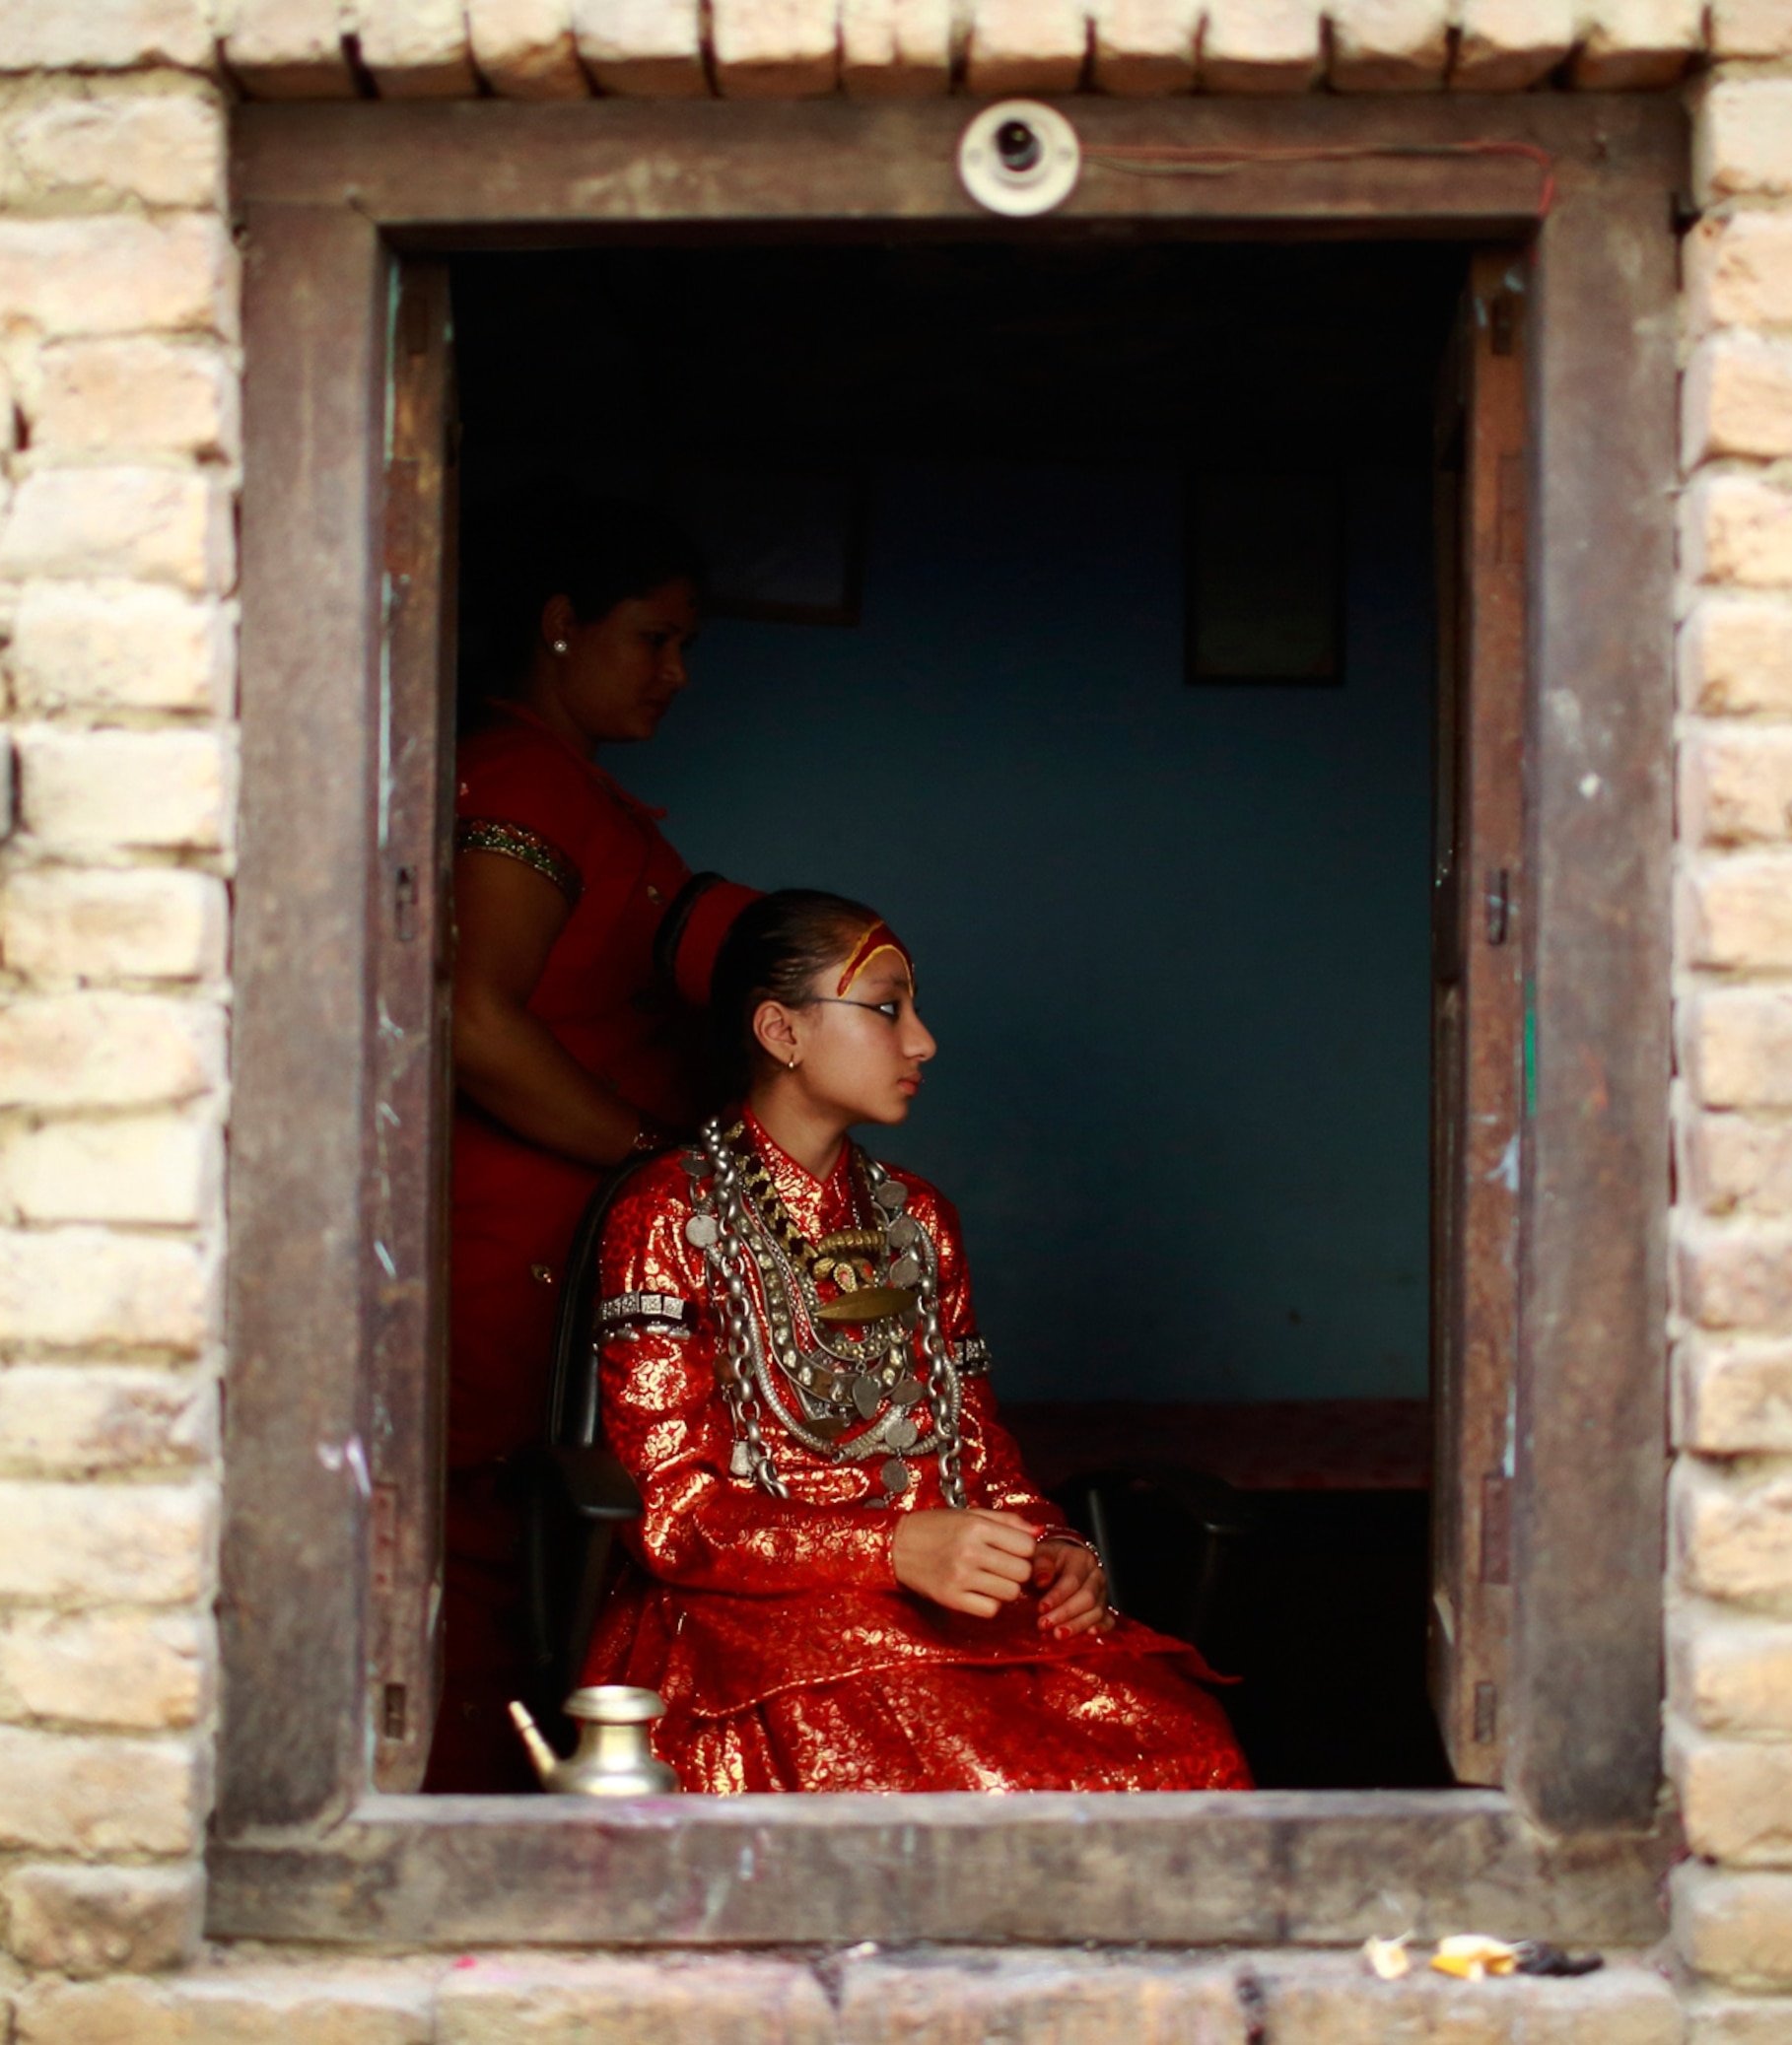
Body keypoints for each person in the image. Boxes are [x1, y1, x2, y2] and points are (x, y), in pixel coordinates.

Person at [577, 891, 1252, 1792]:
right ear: (781, 1028)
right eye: (888, 1007)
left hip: (942, 1596)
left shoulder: (919, 1217)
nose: (923, 1040)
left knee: (1178, 1743)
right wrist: (890, 1549)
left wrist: (1050, 1548)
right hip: (749, 1613)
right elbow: (672, 1512)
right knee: (938, 1761)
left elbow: (976, 1454)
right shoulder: (667, 1210)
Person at [434, 492, 756, 1793]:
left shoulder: (576, 791)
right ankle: (455, 1822)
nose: (676, 674)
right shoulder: (517, 781)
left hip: (570, 1223)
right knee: (495, 1532)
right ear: (561, 625)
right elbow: (472, 1019)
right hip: (512, 1219)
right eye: (653, 638)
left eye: (688, 646)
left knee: (562, 1534)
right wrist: (646, 1154)